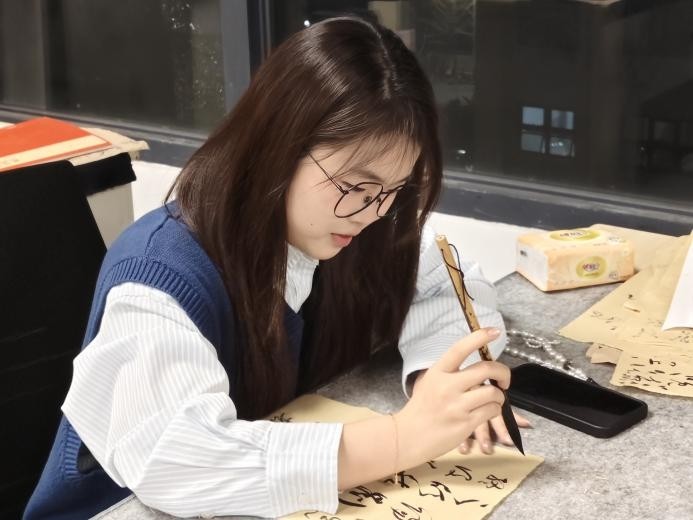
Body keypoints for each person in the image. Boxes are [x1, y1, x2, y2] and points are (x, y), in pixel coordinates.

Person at [24, 15, 527, 520]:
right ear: (278, 147)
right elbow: (178, 459)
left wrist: (441, 381)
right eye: (357, 186)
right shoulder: (158, 275)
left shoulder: (347, 224)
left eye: (393, 190)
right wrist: (400, 438)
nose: (374, 213)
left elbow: (449, 279)